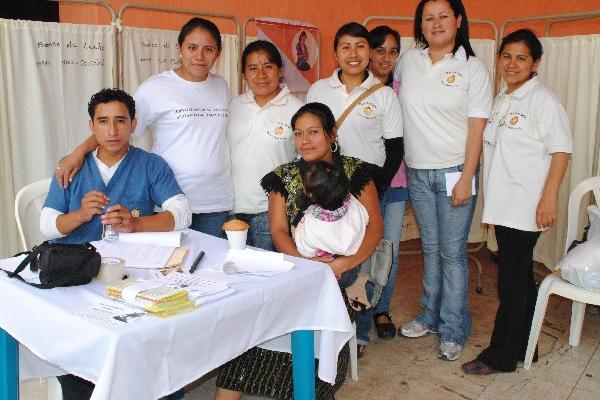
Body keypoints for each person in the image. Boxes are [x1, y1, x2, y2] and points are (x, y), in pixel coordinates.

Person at [215, 102, 383, 400]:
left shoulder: (355, 172)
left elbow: (374, 229)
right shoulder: (283, 175)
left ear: (332, 134)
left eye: (313, 132)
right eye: (298, 133)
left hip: (341, 273)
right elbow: (279, 231)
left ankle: (311, 386)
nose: (304, 140)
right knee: (254, 325)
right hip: (297, 266)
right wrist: (306, 263)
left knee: (311, 324)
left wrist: (343, 265)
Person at [40, 88, 192, 400]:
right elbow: (47, 225)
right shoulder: (71, 167)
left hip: (134, 274)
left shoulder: (151, 164)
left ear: (133, 124)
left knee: (155, 347)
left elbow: (182, 213)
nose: (112, 131)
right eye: (104, 121)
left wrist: (137, 224)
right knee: (77, 360)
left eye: (120, 121)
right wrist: (81, 214)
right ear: (91, 127)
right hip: (79, 274)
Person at [55, 17, 231, 238]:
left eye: (208, 49)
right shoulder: (156, 87)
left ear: (218, 52)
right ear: (179, 48)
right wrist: (78, 153)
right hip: (168, 200)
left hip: (216, 200)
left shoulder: (221, 86)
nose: (199, 56)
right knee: (170, 268)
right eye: (192, 47)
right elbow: (118, 127)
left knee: (207, 268)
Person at [462, 29, 573, 375]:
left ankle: (501, 355)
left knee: (510, 281)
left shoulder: (543, 101)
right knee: (520, 277)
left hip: (525, 207)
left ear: (536, 62)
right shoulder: (502, 99)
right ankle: (527, 346)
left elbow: (561, 151)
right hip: (505, 204)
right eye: (506, 56)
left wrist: (549, 198)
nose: (511, 64)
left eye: (521, 58)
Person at [394, 0, 492, 361]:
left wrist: (467, 177)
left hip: (456, 171)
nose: (435, 24)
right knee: (430, 249)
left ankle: (453, 327)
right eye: (428, 18)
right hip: (418, 171)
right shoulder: (409, 60)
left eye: (443, 17)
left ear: (459, 21)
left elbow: (477, 127)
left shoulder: (473, 68)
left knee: (452, 254)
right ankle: (429, 315)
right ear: (420, 24)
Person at [306, 22, 404, 356]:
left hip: (370, 188)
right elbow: (309, 138)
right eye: (346, 46)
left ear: (369, 52)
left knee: (369, 257)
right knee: (331, 255)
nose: (353, 53)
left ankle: (360, 332)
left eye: (361, 46)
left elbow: (394, 148)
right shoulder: (319, 89)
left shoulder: (384, 94)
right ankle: (330, 327)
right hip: (329, 189)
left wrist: (376, 186)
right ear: (336, 52)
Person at [227, 40, 302, 250]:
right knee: (235, 274)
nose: (261, 74)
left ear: (280, 71)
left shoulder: (297, 110)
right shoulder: (233, 106)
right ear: (244, 74)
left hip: (271, 212)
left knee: (266, 276)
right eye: (253, 68)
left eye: (268, 66)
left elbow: (303, 162)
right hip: (232, 209)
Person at [295, 160, 369, 258]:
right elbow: (366, 218)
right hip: (355, 255)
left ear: (310, 195)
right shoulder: (353, 203)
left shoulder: (311, 224)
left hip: (328, 266)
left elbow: (305, 250)